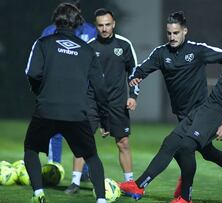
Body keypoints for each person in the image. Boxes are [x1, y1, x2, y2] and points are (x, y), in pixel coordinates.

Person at [120, 13, 222, 203]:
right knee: (175, 144)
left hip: (210, 110)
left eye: (176, 32)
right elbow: (142, 68)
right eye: (169, 33)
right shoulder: (161, 53)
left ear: (185, 31)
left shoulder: (209, 52)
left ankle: (184, 196)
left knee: (186, 147)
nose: (172, 36)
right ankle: (139, 186)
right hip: (198, 110)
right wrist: (136, 78)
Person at [24, 3, 109, 203]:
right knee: (91, 156)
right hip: (76, 113)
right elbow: (100, 88)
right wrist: (104, 118)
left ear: (56, 20)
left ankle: (38, 194)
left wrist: (39, 91)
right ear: (78, 22)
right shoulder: (87, 50)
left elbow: (32, 73)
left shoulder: (43, 43)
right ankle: (102, 200)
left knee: (30, 149)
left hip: (46, 110)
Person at [64, 8, 139, 194]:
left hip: (117, 102)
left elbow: (135, 73)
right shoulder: (89, 46)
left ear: (113, 24)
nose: (104, 29)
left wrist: (133, 96)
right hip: (92, 102)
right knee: (82, 139)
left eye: (107, 24)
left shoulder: (125, 45)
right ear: (96, 26)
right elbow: (79, 75)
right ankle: (75, 182)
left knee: (123, 143)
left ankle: (129, 183)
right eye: (100, 25)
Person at [41, 0, 97, 183]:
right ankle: (53, 169)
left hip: (83, 93)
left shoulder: (90, 31)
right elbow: (39, 63)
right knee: (53, 131)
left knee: (82, 132)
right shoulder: (49, 32)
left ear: (79, 11)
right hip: (56, 92)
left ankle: (85, 170)